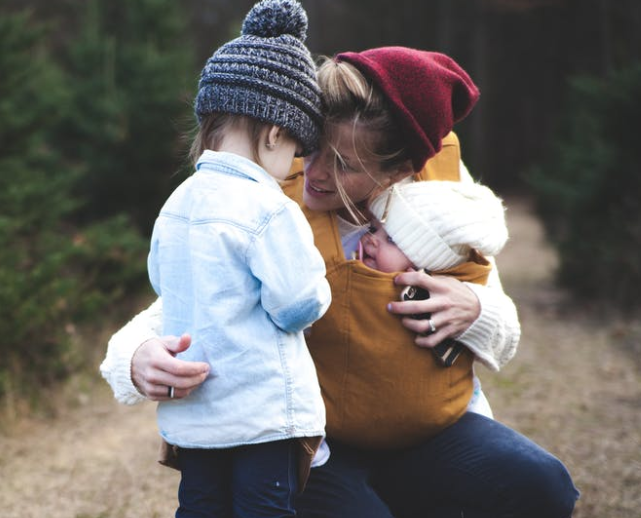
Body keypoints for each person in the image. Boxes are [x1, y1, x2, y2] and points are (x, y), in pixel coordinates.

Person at [101, 42, 579, 517]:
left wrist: (476, 310)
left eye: (346, 164)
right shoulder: (266, 198)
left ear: (399, 171)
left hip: (431, 432)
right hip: (316, 444)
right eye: (313, 148)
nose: (315, 172)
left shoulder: (444, 205)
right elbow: (188, 296)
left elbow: (506, 330)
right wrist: (135, 357)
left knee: (542, 485)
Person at [144, 1, 331, 516]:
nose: (293, 163)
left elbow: (162, 282)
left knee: (201, 507)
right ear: (275, 132)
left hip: (196, 417)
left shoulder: (176, 204)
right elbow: (297, 304)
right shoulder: (268, 206)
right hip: (261, 415)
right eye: (295, 147)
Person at [358, 179, 510, 418]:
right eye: (373, 228)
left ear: (422, 265)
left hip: (451, 413)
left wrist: (478, 311)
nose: (371, 239)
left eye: (391, 240)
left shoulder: (442, 296)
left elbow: (504, 339)